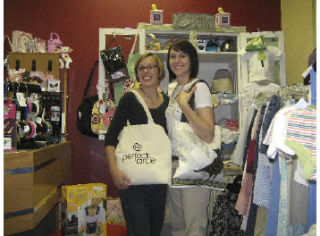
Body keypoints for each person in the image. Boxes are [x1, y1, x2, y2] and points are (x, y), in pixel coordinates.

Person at [105, 53, 169, 236]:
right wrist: (114, 171)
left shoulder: (168, 103)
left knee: (155, 230)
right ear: (137, 73)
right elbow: (110, 139)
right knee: (139, 230)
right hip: (133, 182)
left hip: (158, 182)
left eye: (151, 67)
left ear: (159, 71)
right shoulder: (129, 99)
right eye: (141, 68)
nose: (146, 71)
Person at [165, 39, 215, 236]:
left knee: (194, 228)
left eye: (182, 55)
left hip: (194, 166)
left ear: (191, 60)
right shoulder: (172, 89)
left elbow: (208, 133)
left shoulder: (199, 88)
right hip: (174, 165)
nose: (177, 60)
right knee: (177, 226)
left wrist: (185, 105)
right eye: (173, 56)